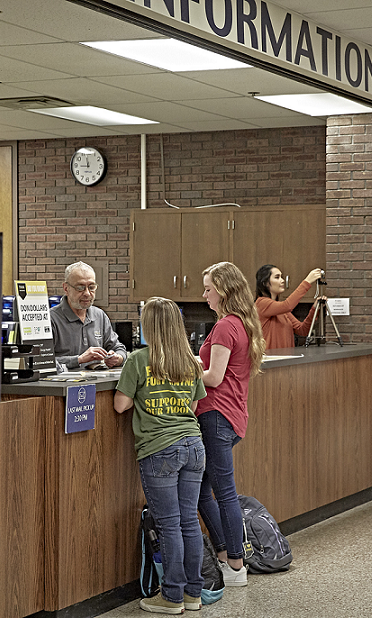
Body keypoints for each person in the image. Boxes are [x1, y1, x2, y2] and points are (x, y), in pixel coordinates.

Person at [114, 297, 207, 614]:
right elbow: (194, 407)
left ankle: (171, 597)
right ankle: (193, 594)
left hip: (159, 450)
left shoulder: (138, 360)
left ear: (148, 327)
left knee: (169, 526)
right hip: (194, 445)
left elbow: (120, 406)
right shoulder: (191, 361)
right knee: (189, 523)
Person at [196, 261, 265, 587]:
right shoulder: (242, 323)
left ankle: (235, 565)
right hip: (232, 416)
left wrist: (184, 365)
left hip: (216, 416)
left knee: (223, 493)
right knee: (202, 491)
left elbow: (213, 376)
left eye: (208, 288)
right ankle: (225, 555)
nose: (205, 294)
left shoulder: (224, 326)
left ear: (223, 290)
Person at [50, 261, 127, 370]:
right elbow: (42, 362)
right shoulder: (51, 319)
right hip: (64, 385)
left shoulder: (99, 315)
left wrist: (118, 358)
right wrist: (79, 360)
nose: (87, 293)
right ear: (66, 288)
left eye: (91, 287)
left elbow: (118, 348)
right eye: (80, 288)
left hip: (99, 384)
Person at [254, 265, 325, 350]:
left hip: (286, 360)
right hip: (270, 360)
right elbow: (287, 305)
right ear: (265, 283)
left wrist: (314, 309)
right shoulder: (261, 303)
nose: (282, 280)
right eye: (277, 277)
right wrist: (307, 281)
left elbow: (302, 330)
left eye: (282, 277)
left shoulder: (281, 309)